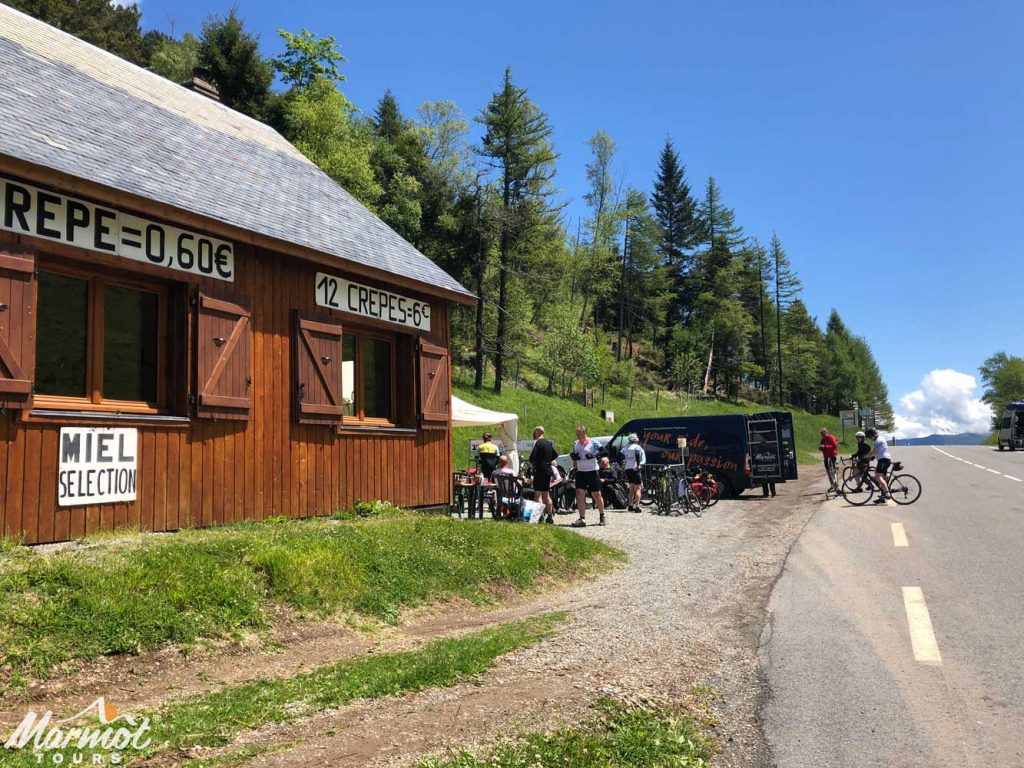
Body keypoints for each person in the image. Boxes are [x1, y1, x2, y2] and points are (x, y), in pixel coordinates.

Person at [571, 425, 605, 527]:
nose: (578, 436)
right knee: (579, 493)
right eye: (577, 434)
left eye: (579, 434)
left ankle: (602, 515)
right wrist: (575, 459)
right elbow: (575, 455)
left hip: (592, 471)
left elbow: (604, 451)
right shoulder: (575, 443)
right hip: (581, 471)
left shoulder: (593, 442)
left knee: (596, 494)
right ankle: (582, 518)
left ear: (585, 433)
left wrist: (594, 455)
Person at [528, 426, 557, 524]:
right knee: (546, 494)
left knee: (538, 495)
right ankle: (550, 516)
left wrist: (535, 462)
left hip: (540, 469)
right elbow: (555, 454)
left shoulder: (537, 442)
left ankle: (540, 516)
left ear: (537, 432)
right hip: (549, 469)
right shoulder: (548, 443)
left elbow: (532, 457)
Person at [864, 428, 892, 503]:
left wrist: (864, 457)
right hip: (883, 460)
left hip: (883, 460)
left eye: (870, 437)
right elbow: (876, 452)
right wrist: (870, 457)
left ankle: (887, 493)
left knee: (878, 476)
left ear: (872, 435)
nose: (870, 439)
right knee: (879, 478)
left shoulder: (878, 440)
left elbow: (874, 452)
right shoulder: (879, 439)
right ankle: (883, 497)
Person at [622, 433, 646, 512]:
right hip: (636, 468)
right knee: (638, 488)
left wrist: (622, 464)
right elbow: (640, 456)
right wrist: (639, 464)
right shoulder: (637, 447)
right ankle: (638, 506)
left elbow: (619, 455)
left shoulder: (625, 448)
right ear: (636, 440)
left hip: (628, 469)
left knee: (631, 488)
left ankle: (630, 505)